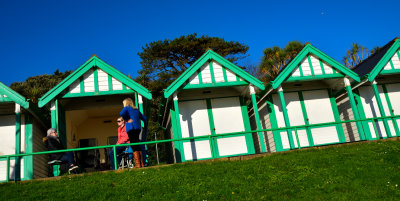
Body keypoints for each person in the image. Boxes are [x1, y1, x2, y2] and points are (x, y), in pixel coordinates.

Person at [120, 97, 147, 168]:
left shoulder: (126, 108)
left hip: (131, 128)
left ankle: (138, 164)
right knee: (136, 144)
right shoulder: (136, 110)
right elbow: (144, 118)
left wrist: (127, 118)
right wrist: (145, 128)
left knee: (133, 145)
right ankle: (141, 164)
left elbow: (121, 113)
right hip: (138, 129)